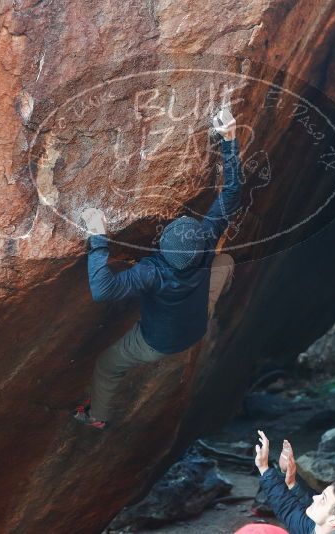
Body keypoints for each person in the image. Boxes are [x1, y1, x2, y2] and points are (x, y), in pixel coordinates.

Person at [72, 104, 242, 430]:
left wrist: (98, 236)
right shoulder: (206, 239)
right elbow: (232, 193)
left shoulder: (151, 273)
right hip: (197, 322)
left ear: (163, 248)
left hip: (158, 342)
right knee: (226, 260)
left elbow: (101, 289)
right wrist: (229, 138)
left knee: (107, 366)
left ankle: (97, 418)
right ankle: (217, 287)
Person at [255, 430, 335, 534]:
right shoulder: (326, 528)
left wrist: (264, 468)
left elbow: (289, 510)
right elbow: (289, 510)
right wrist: (292, 483)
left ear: (333, 521)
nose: (315, 498)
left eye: (323, 499)